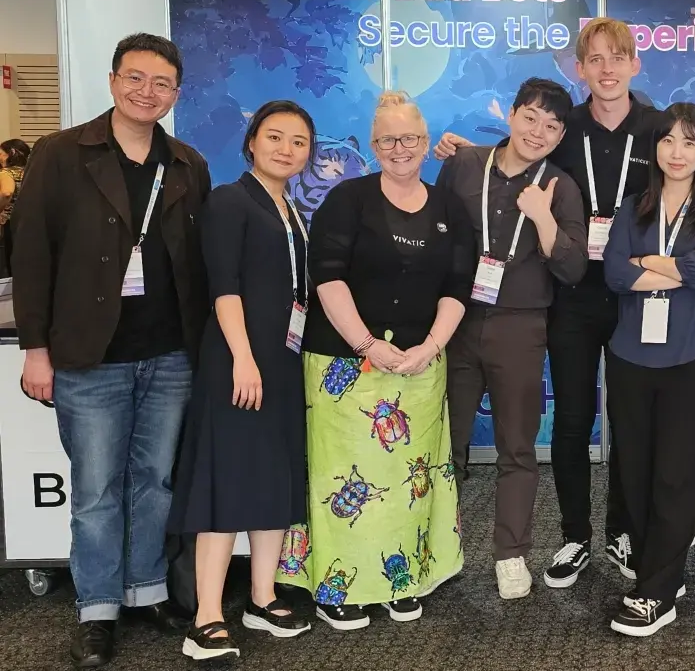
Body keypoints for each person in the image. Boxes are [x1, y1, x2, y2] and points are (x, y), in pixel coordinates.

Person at [433, 17, 695, 587]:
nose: (607, 69)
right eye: (595, 59)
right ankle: (574, 536)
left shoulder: (658, 128)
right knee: (572, 420)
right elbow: (515, 156)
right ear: (580, 68)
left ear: (635, 64)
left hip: (639, 299)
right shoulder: (563, 126)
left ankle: (622, 532)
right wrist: (465, 150)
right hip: (569, 295)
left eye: (617, 58)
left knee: (630, 425)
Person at [12, 33, 210, 668]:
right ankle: (97, 607)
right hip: (89, 355)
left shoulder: (187, 164)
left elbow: (199, 266)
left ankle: (147, 588)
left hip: (171, 354)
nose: (147, 92)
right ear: (113, 80)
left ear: (176, 94)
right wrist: (35, 348)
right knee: (97, 489)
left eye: (162, 83)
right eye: (136, 78)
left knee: (155, 481)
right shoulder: (60, 154)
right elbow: (30, 255)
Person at [277, 91, 474, 629]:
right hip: (345, 366)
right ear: (373, 146)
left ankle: (400, 580)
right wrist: (366, 344)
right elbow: (327, 276)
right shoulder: (348, 200)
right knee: (340, 478)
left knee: (406, 479)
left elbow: (459, 285)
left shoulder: (450, 208)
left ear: (426, 143)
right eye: (388, 140)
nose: (400, 148)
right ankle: (335, 587)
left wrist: (431, 346)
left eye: (409, 138)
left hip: (419, 365)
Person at [168, 101, 318, 661]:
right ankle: (206, 616)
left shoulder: (291, 208)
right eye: (274, 137)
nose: (286, 149)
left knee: (274, 476)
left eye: (299, 141)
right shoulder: (230, 201)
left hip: (281, 361)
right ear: (252, 141)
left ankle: (262, 596)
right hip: (239, 363)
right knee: (226, 481)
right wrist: (243, 358)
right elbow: (224, 286)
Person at [436, 77, 587, 599]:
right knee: (444, 444)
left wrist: (543, 218)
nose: (538, 131)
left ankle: (511, 554)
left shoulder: (561, 186)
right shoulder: (464, 163)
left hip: (521, 325)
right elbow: (435, 229)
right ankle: (437, 547)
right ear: (512, 115)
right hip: (454, 320)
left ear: (561, 135)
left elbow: (572, 268)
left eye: (552, 126)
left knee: (517, 447)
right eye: (530, 117)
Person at [602, 102, 695, 637]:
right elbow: (614, 274)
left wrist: (647, 263)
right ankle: (659, 570)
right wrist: (674, 268)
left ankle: (657, 593)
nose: (678, 153)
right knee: (634, 472)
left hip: (692, 358)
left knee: (677, 474)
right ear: (654, 148)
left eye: (690, 142)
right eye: (668, 141)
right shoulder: (633, 207)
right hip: (631, 356)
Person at [0, 137, 30, 276]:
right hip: (29, 222)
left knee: (7, 263)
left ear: (11, 153)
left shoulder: (6, 173)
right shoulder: (31, 173)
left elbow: (7, 192)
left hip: (9, 224)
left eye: (1, 154)